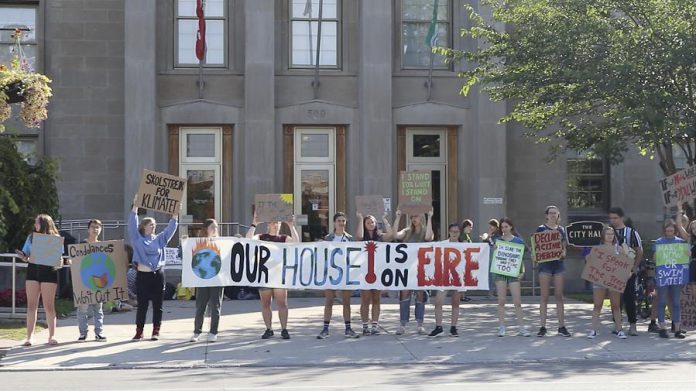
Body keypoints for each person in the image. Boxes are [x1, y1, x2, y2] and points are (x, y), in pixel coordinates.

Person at [128, 195, 179, 341]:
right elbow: (132, 223)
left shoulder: (159, 239)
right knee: (142, 305)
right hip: (143, 276)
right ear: (143, 226)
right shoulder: (137, 238)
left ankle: (156, 331)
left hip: (157, 275)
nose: (153, 226)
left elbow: (170, 230)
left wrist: (175, 215)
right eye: (150, 224)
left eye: (154, 224)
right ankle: (139, 332)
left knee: (158, 305)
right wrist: (135, 206)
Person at [246, 211, 299, 339]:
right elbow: (247, 240)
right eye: (273, 222)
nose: (276, 225)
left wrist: (291, 226)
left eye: (278, 223)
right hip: (264, 275)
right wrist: (254, 224)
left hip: (279, 275)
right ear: (268, 224)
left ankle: (284, 329)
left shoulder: (283, 238)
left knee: (282, 303)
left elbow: (297, 243)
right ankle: (268, 328)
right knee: (266, 303)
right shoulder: (261, 237)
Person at [16, 214, 66, 346]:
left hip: (49, 272)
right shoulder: (31, 237)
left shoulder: (55, 239)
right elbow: (26, 254)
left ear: (44, 224)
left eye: (37, 223)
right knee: (31, 305)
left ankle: (52, 336)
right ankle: (30, 336)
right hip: (33, 270)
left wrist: (60, 262)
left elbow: (59, 258)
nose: (35, 225)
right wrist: (23, 256)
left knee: (49, 306)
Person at [317, 212, 360, 339]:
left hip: (345, 273)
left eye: (343, 221)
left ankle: (348, 328)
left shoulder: (350, 238)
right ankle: (325, 329)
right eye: (339, 221)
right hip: (331, 273)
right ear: (334, 223)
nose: (341, 223)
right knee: (329, 301)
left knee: (346, 302)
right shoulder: (329, 238)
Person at [393, 208, 434, 335]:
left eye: (416, 216)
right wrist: (398, 217)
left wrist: (430, 217)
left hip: (421, 268)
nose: (413, 219)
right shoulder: (407, 231)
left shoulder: (424, 231)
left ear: (421, 217)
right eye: (412, 217)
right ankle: (403, 324)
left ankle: (420, 324)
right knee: (405, 294)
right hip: (407, 269)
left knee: (420, 295)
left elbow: (429, 237)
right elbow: (395, 235)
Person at [586, 226, 628, 339]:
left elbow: (625, 263)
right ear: (603, 235)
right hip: (599, 279)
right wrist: (589, 257)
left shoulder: (619, 249)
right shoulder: (597, 248)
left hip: (613, 280)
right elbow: (589, 261)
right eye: (608, 234)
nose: (610, 236)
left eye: (612, 234)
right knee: (597, 305)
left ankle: (619, 330)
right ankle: (593, 330)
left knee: (616, 305)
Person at [356, 212, 393, 336]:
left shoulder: (380, 237)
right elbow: (359, 236)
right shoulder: (362, 237)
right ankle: (365, 326)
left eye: (372, 222)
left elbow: (391, 235)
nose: (371, 224)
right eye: (368, 222)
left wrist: (384, 220)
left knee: (376, 299)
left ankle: (375, 325)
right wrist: (361, 219)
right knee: (365, 299)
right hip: (364, 272)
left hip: (378, 271)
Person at [536, 206, 571, 337]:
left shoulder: (561, 230)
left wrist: (563, 252)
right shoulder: (541, 229)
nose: (552, 215)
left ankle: (561, 326)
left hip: (558, 265)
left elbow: (564, 249)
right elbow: (537, 247)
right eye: (550, 213)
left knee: (559, 296)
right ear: (546, 215)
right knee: (544, 296)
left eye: (555, 213)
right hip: (545, 265)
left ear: (558, 215)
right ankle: (542, 327)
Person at [608, 207, 643, 336]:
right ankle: (617, 324)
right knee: (615, 300)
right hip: (613, 271)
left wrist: (635, 267)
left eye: (615, 218)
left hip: (628, 271)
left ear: (621, 218)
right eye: (611, 218)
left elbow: (639, 251)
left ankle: (633, 325)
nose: (613, 220)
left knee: (629, 298)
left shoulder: (631, 233)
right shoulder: (608, 232)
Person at [492, 218, 530, 337]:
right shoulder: (497, 241)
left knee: (517, 301)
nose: (504, 229)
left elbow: (521, 258)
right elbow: (496, 258)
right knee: (501, 300)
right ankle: (502, 327)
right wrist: (494, 250)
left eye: (506, 227)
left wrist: (522, 271)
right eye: (502, 227)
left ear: (511, 227)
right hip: (501, 272)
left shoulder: (518, 241)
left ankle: (521, 327)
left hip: (514, 273)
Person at [190, 219, 225, 343]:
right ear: (206, 229)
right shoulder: (198, 242)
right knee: (201, 306)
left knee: (215, 306)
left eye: (216, 227)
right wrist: (184, 242)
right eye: (212, 227)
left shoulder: (222, 242)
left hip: (217, 278)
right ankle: (197, 332)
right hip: (203, 278)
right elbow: (185, 253)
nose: (215, 229)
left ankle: (213, 332)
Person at [653, 220, 687, 339]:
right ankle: (662, 329)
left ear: (675, 230)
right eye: (667, 231)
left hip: (676, 276)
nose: (669, 233)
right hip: (663, 276)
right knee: (662, 302)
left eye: (671, 230)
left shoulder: (681, 242)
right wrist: (657, 254)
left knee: (676, 303)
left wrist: (686, 254)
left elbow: (684, 260)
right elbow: (655, 259)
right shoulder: (659, 242)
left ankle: (677, 330)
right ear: (664, 231)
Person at [76, 219, 107, 342]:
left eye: (98, 227)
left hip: (99, 281)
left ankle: (99, 333)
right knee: (82, 310)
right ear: (88, 229)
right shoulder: (82, 245)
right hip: (85, 281)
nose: (95, 229)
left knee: (98, 309)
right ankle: (83, 333)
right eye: (93, 227)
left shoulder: (103, 246)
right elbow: (77, 262)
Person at [429, 223, 463, 337]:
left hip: (459, 276)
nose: (454, 233)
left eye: (457, 231)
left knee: (456, 302)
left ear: (459, 233)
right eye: (452, 231)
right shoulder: (442, 244)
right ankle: (438, 327)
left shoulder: (464, 246)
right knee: (438, 302)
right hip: (444, 276)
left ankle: (453, 327)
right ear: (449, 232)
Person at [674, 205, 694, 335]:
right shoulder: (689, 238)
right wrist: (679, 210)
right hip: (693, 268)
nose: (695, 228)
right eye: (693, 227)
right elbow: (679, 224)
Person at [481, 219, 500, 299]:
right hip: (488, 258)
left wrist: (489, 237)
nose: (490, 228)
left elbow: (494, 245)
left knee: (494, 276)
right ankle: (491, 293)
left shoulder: (498, 236)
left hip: (495, 258)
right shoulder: (488, 235)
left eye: (492, 226)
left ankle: (495, 292)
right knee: (490, 276)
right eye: (489, 226)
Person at [459, 219, 474, 302]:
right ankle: (462, 296)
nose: (471, 229)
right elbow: (466, 246)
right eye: (470, 227)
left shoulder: (466, 235)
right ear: (466, 226)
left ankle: (463, 295)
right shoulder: (464, 235)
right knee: (462, 277)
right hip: (463, 258)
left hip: (465, 258)